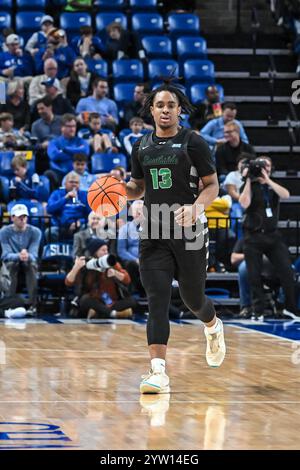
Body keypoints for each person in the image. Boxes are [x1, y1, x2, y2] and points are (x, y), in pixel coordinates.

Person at [125, 83, 226, 394]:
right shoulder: (141, 146)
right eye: (160, 105)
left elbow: (212, 185)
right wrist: (117, 191)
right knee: (156, 299)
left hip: (191, 232)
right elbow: (137, 188)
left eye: (171, 105)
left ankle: (213, 325)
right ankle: (158, 372)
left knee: (192, 299)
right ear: (151, 110)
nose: (165, 109)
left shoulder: (192, 142)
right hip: (154, 232)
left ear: (180, 110)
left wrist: (196, 209)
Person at [239, 155, 299, 319]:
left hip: (273, 236)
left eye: (267, 166)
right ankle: (258, 311)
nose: (265, 168)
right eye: (261, 166)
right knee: (254, 274)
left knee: (287, 270)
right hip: (253, 237)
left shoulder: (272, 187)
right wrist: (250, 179)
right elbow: (243, 203)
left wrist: (267, 180)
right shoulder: (249, 185)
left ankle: (290, 308)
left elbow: (286, 194)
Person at [65, 238, 137, 319]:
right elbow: (68, 282)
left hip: (112, 301)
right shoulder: (86, 264)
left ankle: (98, 313)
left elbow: (127, 280)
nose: (106, 252)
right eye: (103, 250)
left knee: (132, 301)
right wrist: (76, 268)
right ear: (95, 252)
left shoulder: (111, 262)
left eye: (107, 250)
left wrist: (115, 273)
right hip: (94, 300)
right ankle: (114, 314)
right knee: (85, 300)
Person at [0, 203, 42, 314]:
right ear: (12, 218)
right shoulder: (4, 232)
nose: (22, 219)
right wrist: (19, 255)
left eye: (24, 217)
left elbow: (34, 254)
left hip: (28, 260)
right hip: (12, 261)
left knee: (32, 265)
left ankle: (32, 305)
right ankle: (9, 304)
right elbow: (5, 255)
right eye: (19, 217)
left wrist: (27, 255)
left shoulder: (35, 232)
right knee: (10, 265)